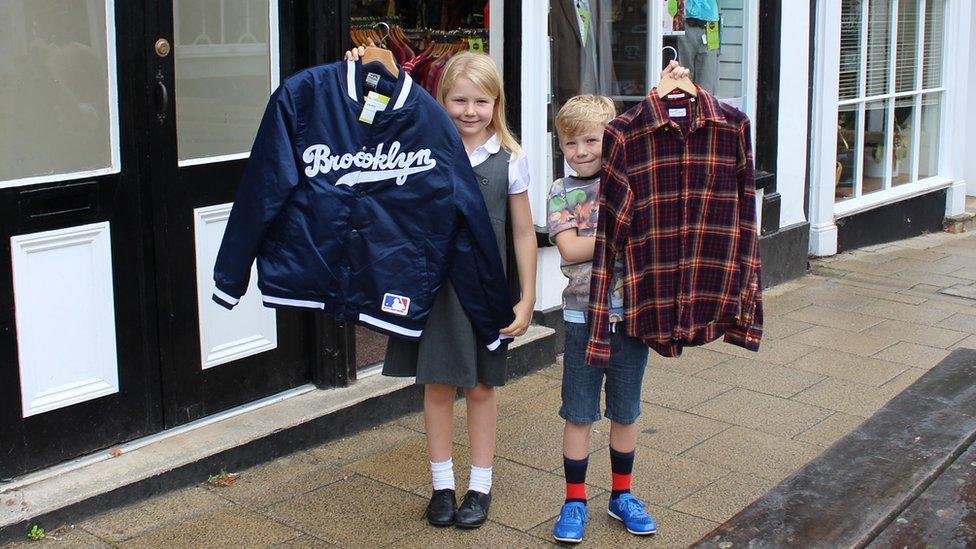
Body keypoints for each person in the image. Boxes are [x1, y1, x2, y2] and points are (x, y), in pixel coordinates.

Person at [345, 46, 537, 529]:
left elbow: (521, 232)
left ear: (497, 105)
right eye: (458, 101)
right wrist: (370, 66)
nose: (470, 112)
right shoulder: (418, 150)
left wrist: (529, 296)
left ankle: (480, 486)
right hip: (430, 291)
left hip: (485, 293)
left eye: (481, 102)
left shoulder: (510, 160)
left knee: (480, 389)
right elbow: (369, 123)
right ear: (439, 100)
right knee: (436, 386)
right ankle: (442, 486)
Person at [547, 62, 689, 544]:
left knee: (626, 412)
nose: (582, 151)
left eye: (593, 140)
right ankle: (574, 500)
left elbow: (667, 143)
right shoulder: (560, 191)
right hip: (581, 317)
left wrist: (667, 91)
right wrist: (623, 234)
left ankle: (622, 494)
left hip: (632, 317)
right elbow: (569, 249)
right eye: (572, 142)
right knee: (579, 413)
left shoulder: (630, 185)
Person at [677, 0, 720, 94]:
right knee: (683, 75)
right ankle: (685, 105)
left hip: (710, 23)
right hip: (685, 21)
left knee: (707, 76)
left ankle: (705, 106)